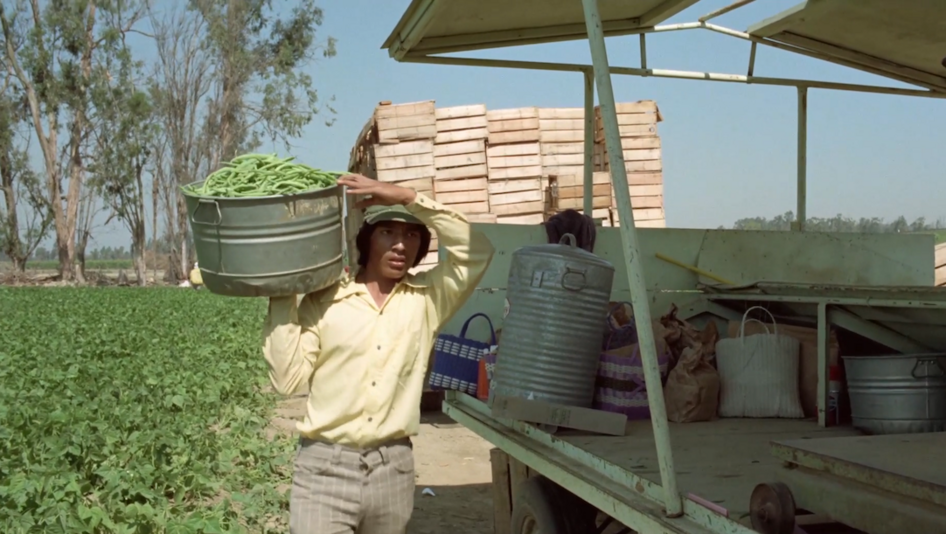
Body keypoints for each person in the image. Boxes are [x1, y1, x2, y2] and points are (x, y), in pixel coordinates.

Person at [262, 174, 495, 534]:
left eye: (412, 236)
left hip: (393, 469)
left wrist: (408, 197)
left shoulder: (429, 299)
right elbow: (286, 379)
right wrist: (281, 295)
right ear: (367, 241)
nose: (401, 244)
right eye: (388, 232)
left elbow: (476, 251)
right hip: (324, 469)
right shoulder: (325, 301)